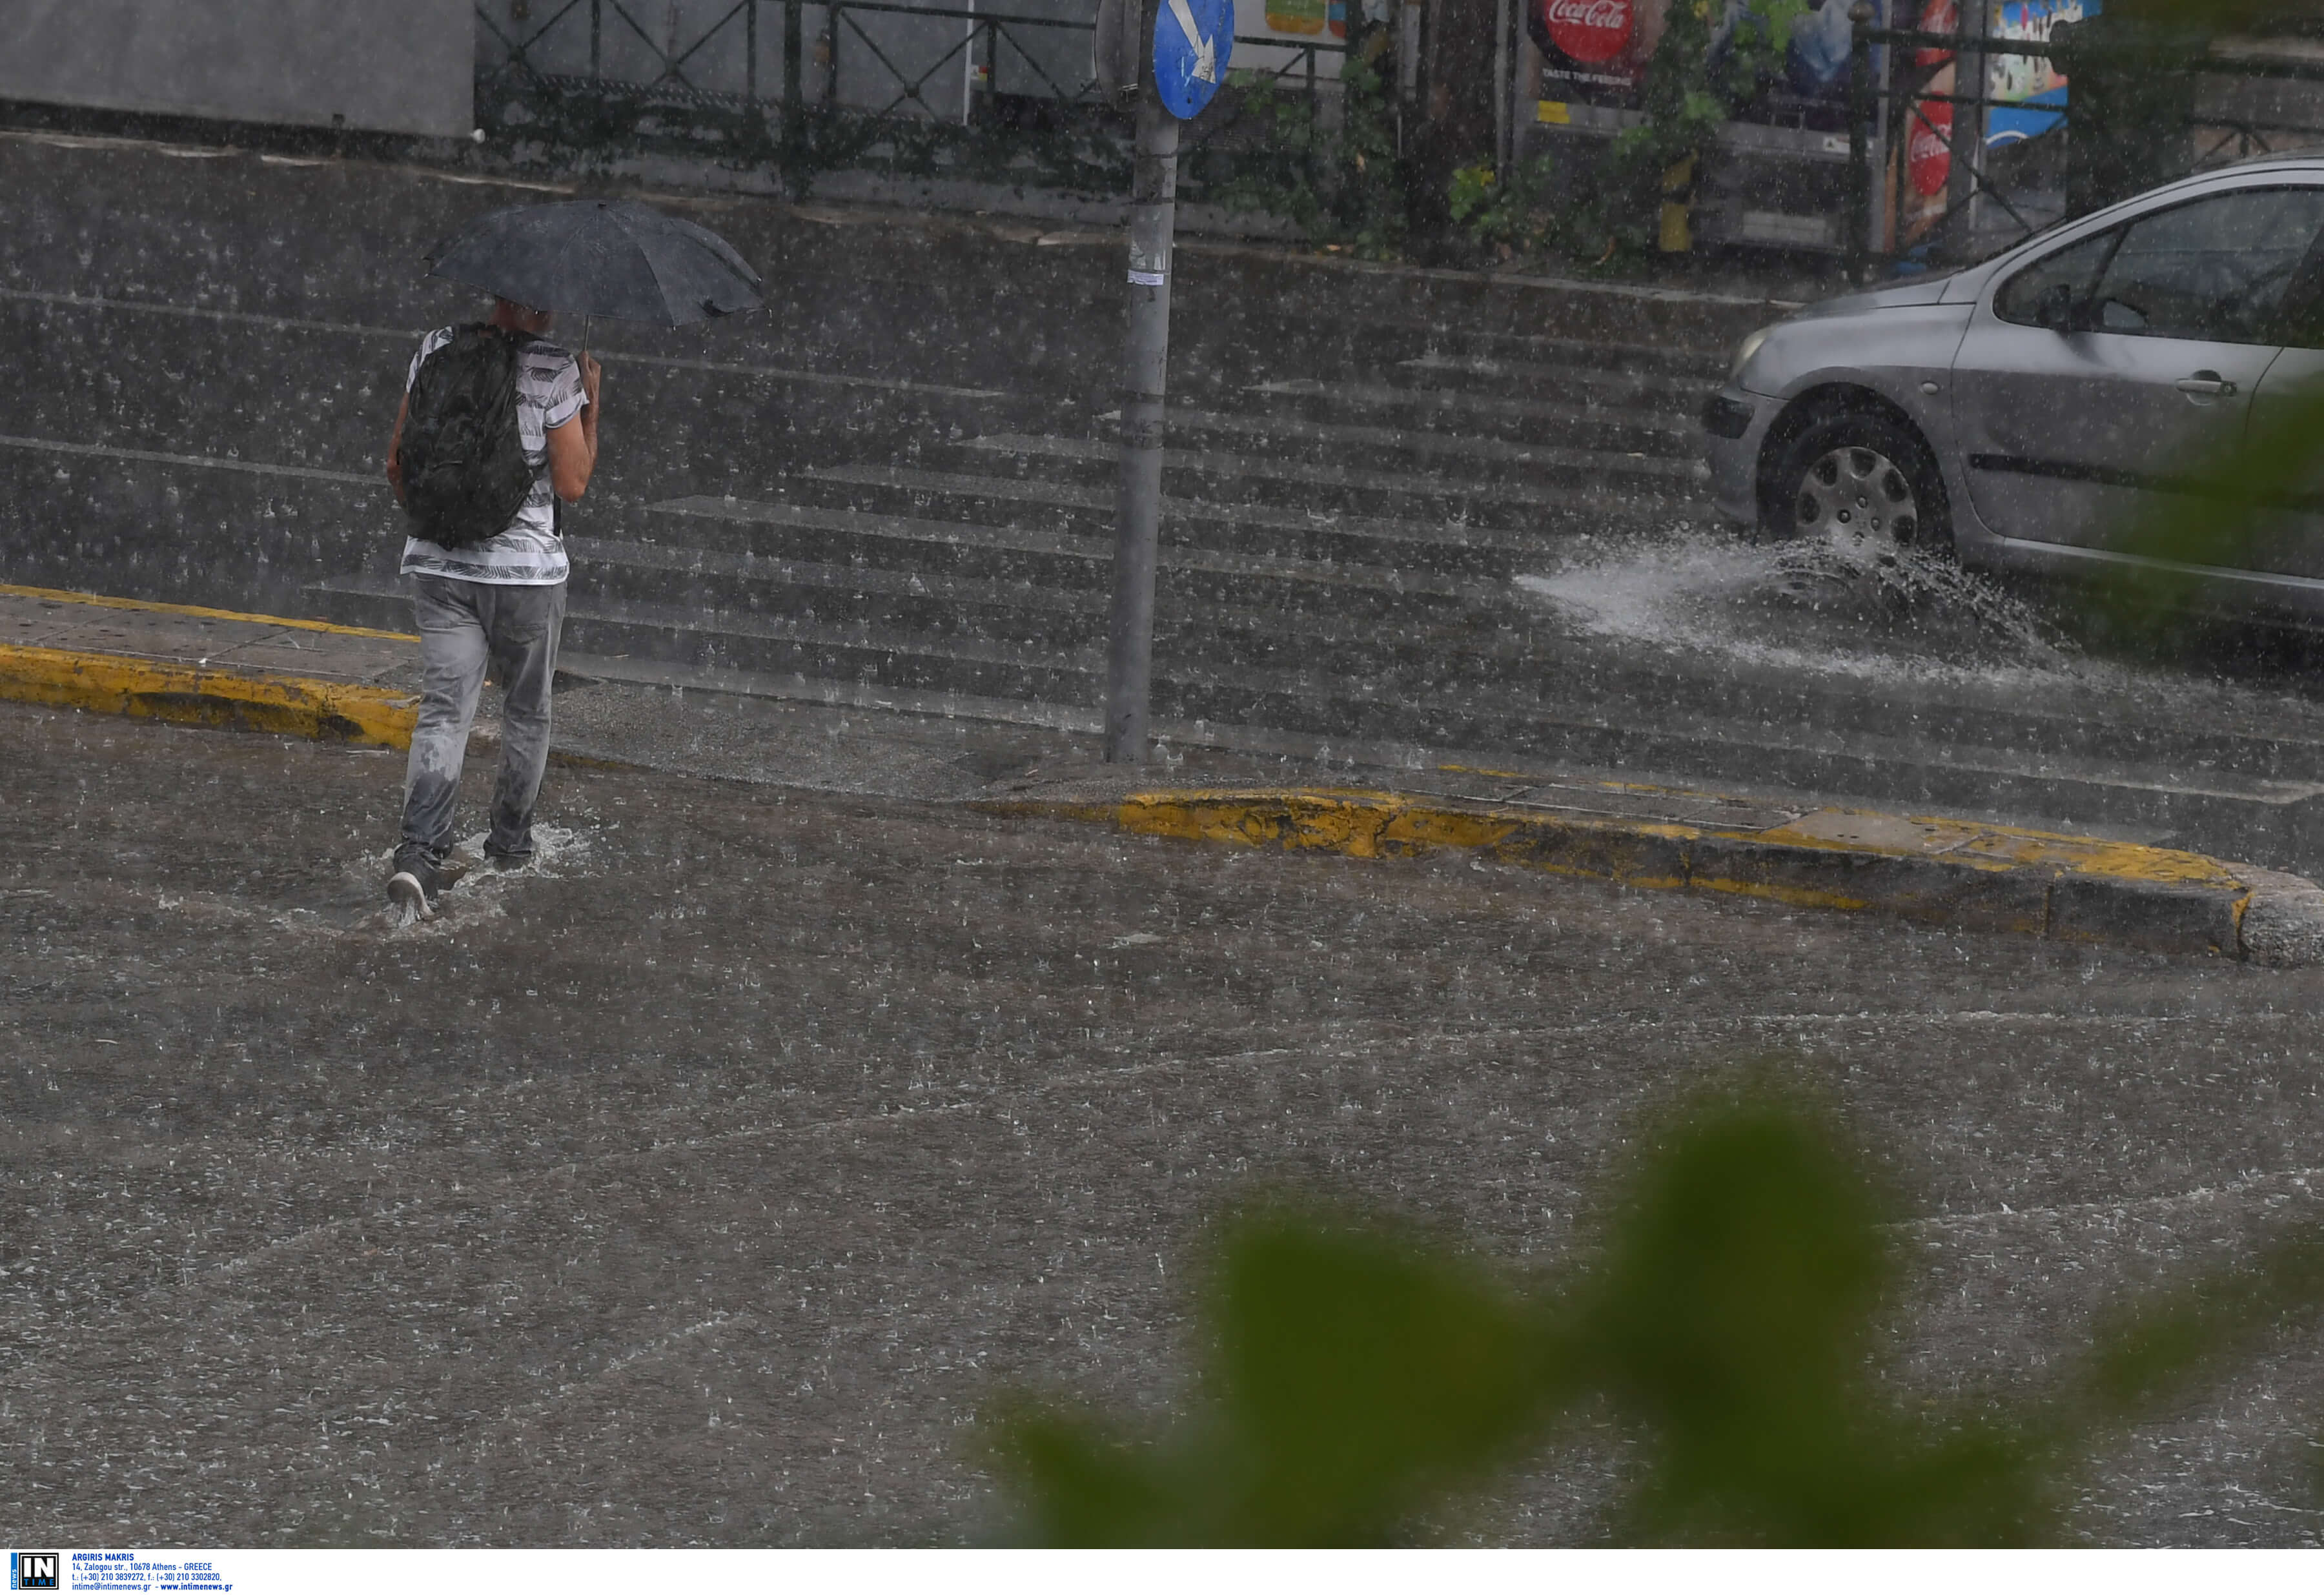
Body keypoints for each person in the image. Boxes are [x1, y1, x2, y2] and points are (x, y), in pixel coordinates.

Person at [383, 298, 601, 920]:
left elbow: (398, 461)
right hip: (525, 579)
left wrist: (443, 525)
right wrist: (590, 404)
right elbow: (574, 484)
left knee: (446, 711)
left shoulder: (435, 348)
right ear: (538, 304)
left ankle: (419, 854)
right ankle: (508, 846)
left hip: (439, 565)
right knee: (526, 711)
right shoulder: (555, 370)